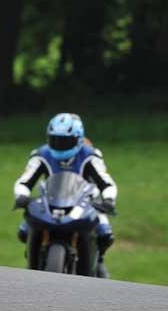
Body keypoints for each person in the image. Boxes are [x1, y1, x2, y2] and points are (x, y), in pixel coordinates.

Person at [13, 113, 117, 271]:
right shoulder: (41, 155)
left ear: (79, 139)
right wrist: (22, 195)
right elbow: (25, 181)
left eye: (65, 141)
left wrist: (109, 200)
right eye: (54, 140)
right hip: (49, 202)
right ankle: (33, 262)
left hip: (84, 204)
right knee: (23, 231)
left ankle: (98, 263)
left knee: (105, 234)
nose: (59, 145)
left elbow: (106, 182)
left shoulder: (90, 155)